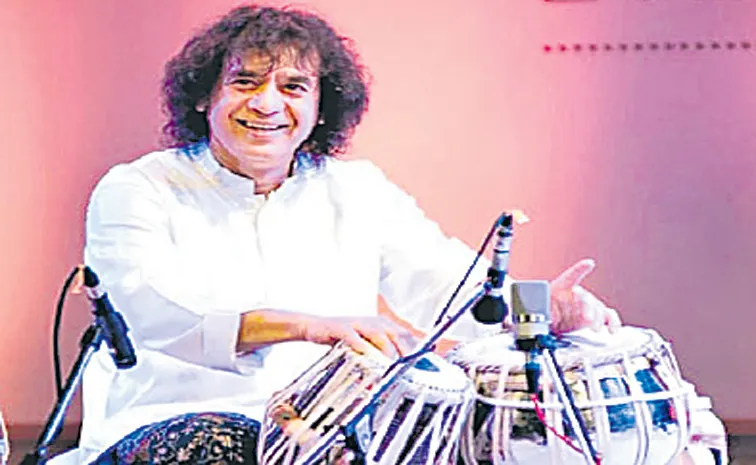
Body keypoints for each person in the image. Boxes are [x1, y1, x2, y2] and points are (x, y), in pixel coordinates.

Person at [77, 4, 622, 464]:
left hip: (334, 437)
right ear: (203, 97)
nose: (267, 103)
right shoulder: (139, 188)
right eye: (245, 82)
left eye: (293, 87)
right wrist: (311, 327)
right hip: (173, 430)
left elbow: (448, 285)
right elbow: (151, 311)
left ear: (320, 108)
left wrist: (540, 306)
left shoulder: (357, 189)